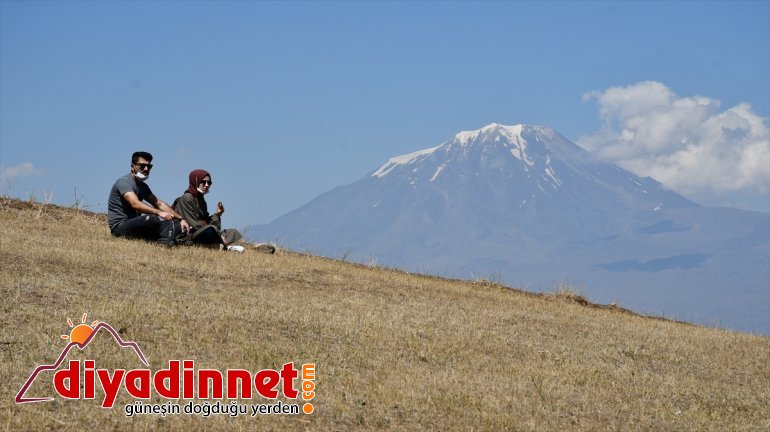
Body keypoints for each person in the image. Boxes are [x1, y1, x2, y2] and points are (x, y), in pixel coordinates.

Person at [108, 151, 190, 244]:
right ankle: (161, 238)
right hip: (120, 227)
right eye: (142, 166)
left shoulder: (143, 186)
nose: (146, 169)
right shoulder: (124, 182)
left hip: (137, 225)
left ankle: (165, 239)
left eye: (149, 166)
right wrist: (159, 213)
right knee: (152, 219)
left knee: (177, 224)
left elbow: (158, 203)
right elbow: (135, 204)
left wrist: (181, 219)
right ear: (132, 166)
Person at [173, 169, 245, 252]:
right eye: (203, 182)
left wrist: (218, 214)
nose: (207, 185)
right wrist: (218, 234)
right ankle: (223, 246)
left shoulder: (202, 200)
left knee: (233, 232)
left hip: (202, 231)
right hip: (189, 235)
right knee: (211, 230)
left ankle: (216, 245)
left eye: (209, 183)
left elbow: (206, 222)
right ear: (195, 181)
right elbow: (195, 224)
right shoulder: (187, 198)